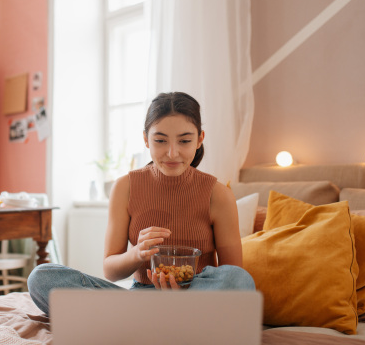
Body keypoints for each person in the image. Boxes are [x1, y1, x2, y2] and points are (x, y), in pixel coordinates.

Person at [28, 92, 255, 316]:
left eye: (185, 141)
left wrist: (187, 292)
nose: (172, 152)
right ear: (146, 139)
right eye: (160, 140)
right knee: (42, 277)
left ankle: (145, 324)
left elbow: (233, 274)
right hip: (142, 297)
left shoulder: (218, 195)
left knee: (239, 280)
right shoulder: (125, 187)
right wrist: (137, 253)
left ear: (200, 139)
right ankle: (163, 324)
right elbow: (111, 270)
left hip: (196, 298)